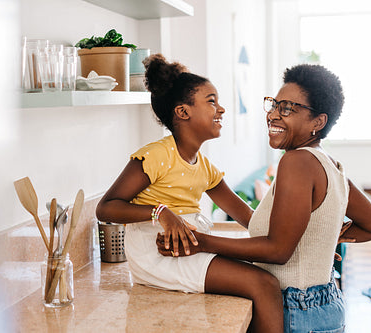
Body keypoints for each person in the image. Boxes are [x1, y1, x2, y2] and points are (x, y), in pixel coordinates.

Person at [157, 64, 371, 332]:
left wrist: (200, 242)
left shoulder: (296, 161)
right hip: (326, 305)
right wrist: (322, 240)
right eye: (275, 105)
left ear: (318, 122)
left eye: (288, 108)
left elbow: (277, 251)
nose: (274, 115)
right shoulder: (330, 164)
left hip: (296, 311)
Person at [96, 54, 283, 332]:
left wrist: (300, 235)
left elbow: (247, 217)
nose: (221, 109)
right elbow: (106, 208)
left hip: (186, 246)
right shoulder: (156, 155)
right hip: (156, 254)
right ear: (183, 112)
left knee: (268, 274)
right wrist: (160, 212)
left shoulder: (205, 167)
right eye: (211, 101)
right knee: (263, 284)